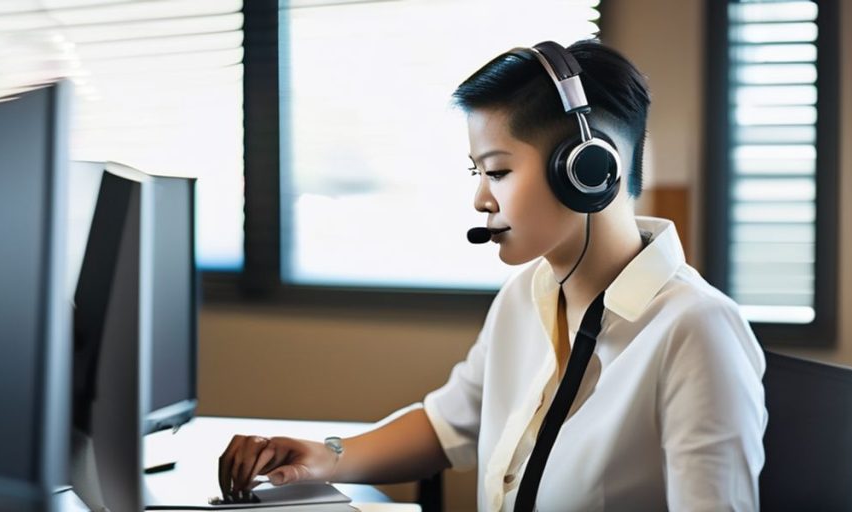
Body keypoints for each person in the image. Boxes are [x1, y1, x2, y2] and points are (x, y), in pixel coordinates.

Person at [218, 39, 767, 511]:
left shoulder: (696, 330)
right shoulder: (524, 297)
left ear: (588, 168)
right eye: (478, 172)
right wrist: (327, 457)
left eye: (498, 170)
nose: (481, 198)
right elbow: (448, 424)